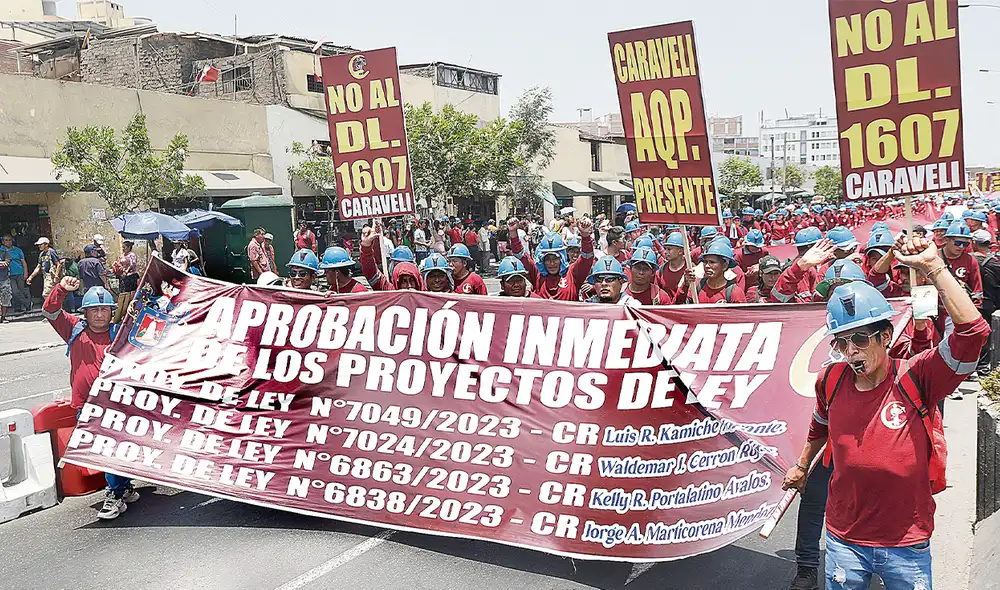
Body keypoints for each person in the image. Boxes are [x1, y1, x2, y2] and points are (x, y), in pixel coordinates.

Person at [782, 237, 988, 590]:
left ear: (886, 336)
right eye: (841, 342)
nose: (850, 351)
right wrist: (802, 465)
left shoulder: (918, 376)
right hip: (844, 540)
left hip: (906, 544)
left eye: (860, 339)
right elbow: (820, 424)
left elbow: (972, 333)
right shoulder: (829, 380)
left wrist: (933, 266)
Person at [43, 276, 140, 520]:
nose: (99, 315)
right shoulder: (73, 328)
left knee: (113, 448)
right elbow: (50, 310)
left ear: (111, 311)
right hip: (85, 405)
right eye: (94, 310)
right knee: (106, 449)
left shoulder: (120, 334)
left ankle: (117, 491)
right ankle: (120, 489)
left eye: (105, 309)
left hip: (115, 404)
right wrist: (62, 289)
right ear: (85, 312)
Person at [508, 216, 595, 301]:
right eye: (547, 259)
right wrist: (513, 233)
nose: (552, 263)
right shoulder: (537, 275)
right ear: (542, 261)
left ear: (561, 258)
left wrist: (585, 235)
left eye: (555, 259)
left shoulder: (572, 273)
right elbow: (521, 256)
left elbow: (586, 258)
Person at [675, 239, 747, 303]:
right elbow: (677, 307)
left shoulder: (735, 293)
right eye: (705, 262)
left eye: (712, 262)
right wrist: (685, 286)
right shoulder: (696, 286)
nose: (707, 266)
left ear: (724, 266)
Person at [972, 229, 1000, 376]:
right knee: (987, 337)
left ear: (974, 243)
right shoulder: (995, 263)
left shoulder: (968, 260)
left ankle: (970, 368)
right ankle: (983, 367)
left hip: (970, 304)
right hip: (990, 305)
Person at [112, 240, 139, 324]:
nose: (123, 248)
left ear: (128, 247)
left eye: (124, 247)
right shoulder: (123, 255)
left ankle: (130, 308)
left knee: (130, 292)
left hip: (131, 276)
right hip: (123, 276)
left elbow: (133, 264)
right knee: (123, 291)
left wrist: (127, 270)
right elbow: (120, 263)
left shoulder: (132, 255)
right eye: (123, 247)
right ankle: (122, 310)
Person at [1, 235, 28, 314]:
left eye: (10, 240)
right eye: (6, 240)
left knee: (21, 290)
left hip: (19, 272)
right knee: (14, 291)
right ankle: (27, 303)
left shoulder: (18, 250)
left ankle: (18, 307)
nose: (8, 242)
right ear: (2, 242)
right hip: (8, 275)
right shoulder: (1, 250)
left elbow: (23, 262)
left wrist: (26, 273)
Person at [0, 245, 10, 322]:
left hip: (4, 279)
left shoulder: (4, 253)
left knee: (5, 297)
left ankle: (3, 317)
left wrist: (4, 263)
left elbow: (7, 263)